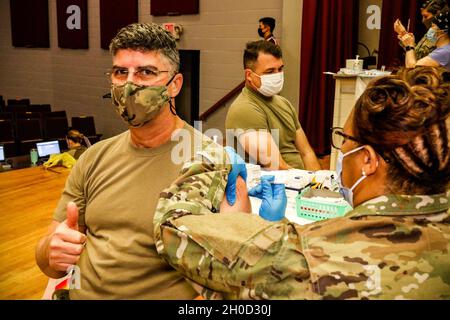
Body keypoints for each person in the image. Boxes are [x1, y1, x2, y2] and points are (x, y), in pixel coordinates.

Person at [154, 66, 450, 299]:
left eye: (345, 140)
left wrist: (212, 158)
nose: (341, 151)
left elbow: (174, 227)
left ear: (368, 160)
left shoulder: (308, 256)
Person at [35, 23, 244, 300]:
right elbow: (49, 263)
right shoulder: (94, 159)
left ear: (175, 85)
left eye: (146, 72)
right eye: (121, 72)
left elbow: (234, 275)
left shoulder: (213, 163)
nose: (130, 84)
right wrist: (52, 251)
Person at [225, 40, 321, 171]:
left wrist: (319, 183)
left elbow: (306, 152)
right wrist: (308, 182)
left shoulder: (284, 103)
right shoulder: (244, 109)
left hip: (301, 181)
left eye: (280, 69)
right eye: (270, 72)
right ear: (249, 75)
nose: (277, 75)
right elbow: (276, 165)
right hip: (278, 185)